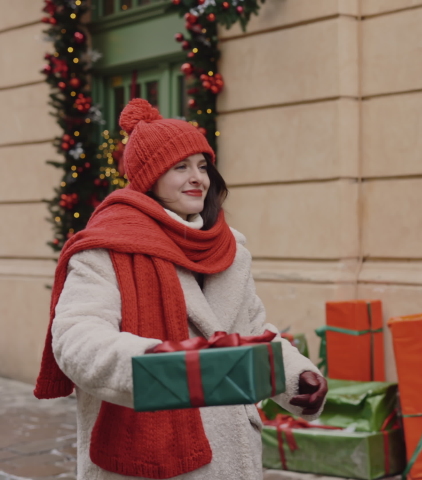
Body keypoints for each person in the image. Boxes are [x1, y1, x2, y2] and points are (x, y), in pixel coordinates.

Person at [33, 98, 327, 479]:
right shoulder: (108, 246)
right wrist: (160, 363)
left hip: (231, 452)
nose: (198, 178)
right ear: (149, 176)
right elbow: (76, 339)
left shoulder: (229, 249)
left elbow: (251, 334)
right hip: (150, 457)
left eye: (202, 167)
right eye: (180, 167)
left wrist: (295, 377)